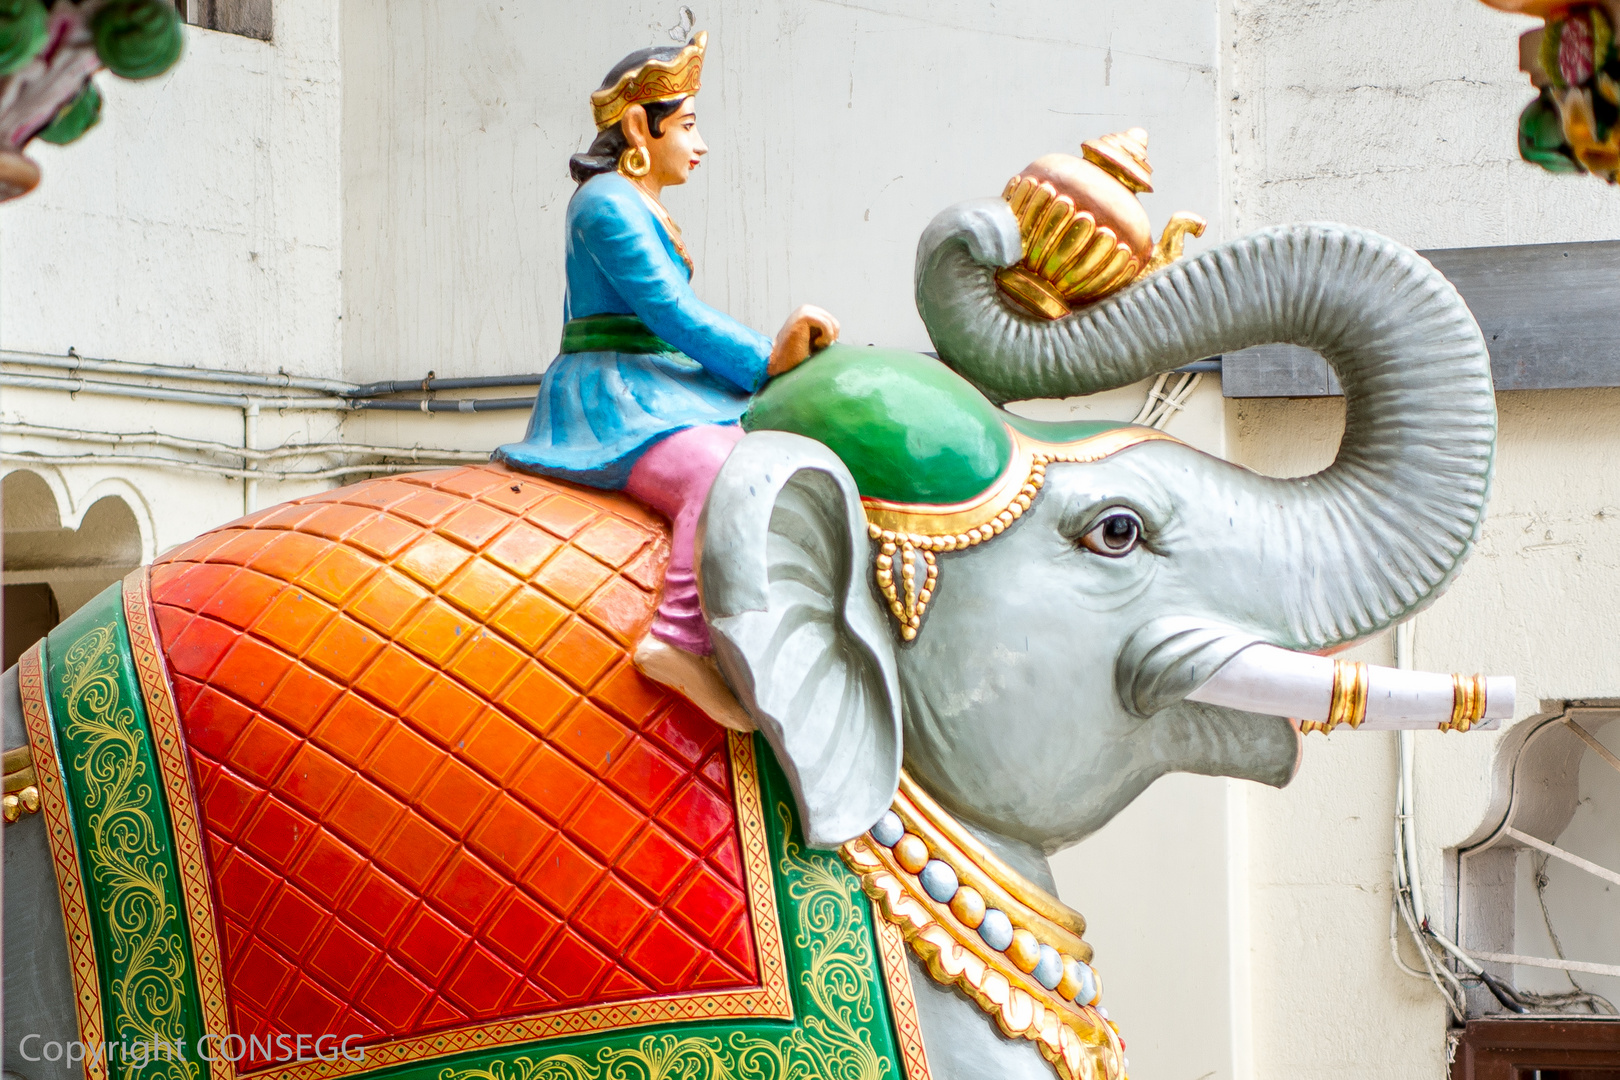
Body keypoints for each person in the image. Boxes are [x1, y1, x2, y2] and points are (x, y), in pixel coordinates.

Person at [496, 32, 839, 725]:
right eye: (686, 125)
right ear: (635, 128)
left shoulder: (636, 203)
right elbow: (668, 310)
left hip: (657, 377)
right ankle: (677, 638)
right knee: (714, 469)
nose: (700, 143)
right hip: (610, 391)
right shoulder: (605, 204)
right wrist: (766, 356)